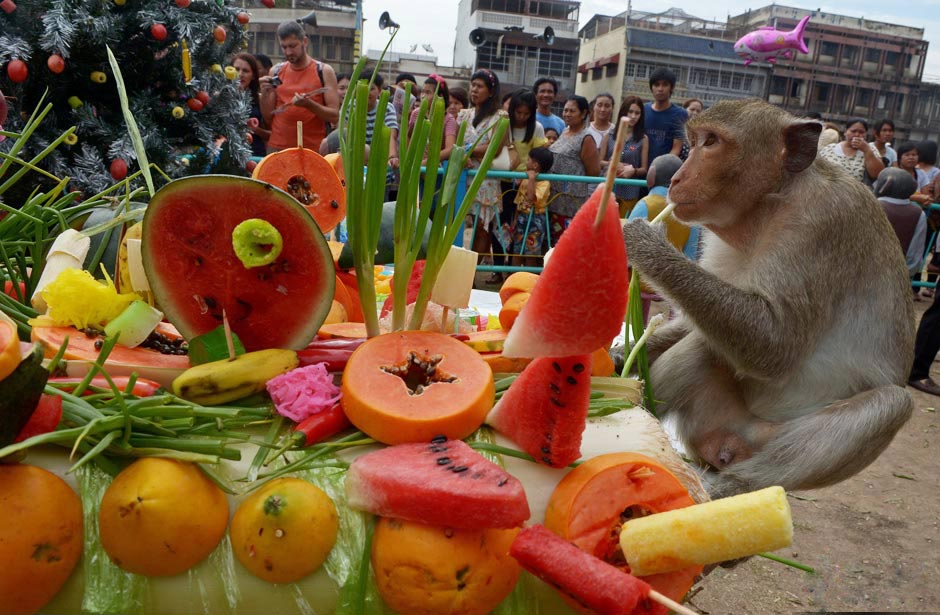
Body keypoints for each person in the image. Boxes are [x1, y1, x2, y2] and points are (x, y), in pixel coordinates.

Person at [627, 154, 701, 323]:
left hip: (642, 280)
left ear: (651, 175)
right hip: (674, 285)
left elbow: (629, 245)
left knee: (635, 317)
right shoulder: (688, 212)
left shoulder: (645, 205)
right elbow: (690, 255)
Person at [457, 69, 511, 265]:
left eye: (480, 86)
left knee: (482, 226)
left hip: (485, 179)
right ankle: (456, 266)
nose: (474, 89)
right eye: (473, 85)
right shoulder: (463, 114)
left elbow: (494, 148)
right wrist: (462, 154)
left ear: (491, 91)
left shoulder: (500, 116)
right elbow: (454, 142)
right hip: (463, 174)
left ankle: (471, 270)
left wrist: (467, 152)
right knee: (459, 223)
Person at [260, 21, 339, 152]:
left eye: (293, 46)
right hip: (278, 147)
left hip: (311, 149)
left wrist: (309, 104)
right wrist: (264, 94)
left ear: (305, 42)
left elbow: (334, 116)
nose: (288, 52)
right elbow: (268, 117)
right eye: (284, 47)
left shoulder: (323, 71)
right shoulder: (276, 71)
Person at [547, 95, 601, 243]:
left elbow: (594, 171)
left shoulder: (586, 138)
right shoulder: (564, 131)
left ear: (583, 114)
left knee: (566, 244)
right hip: (553, 198)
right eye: (565, 110)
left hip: (570, 202)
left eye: (572, 111)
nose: (567, 114)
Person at [504, 147, 553, 268]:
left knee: (530, 253)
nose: (526, 162)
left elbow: (531, 198)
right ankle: (514, 278)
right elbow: (519, 201)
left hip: (535, 221)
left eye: (529, 160)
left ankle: (528, 281)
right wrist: (515, 219)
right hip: (522, 218)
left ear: (535, 165)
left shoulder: (544, 182)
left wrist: (531, 179)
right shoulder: (526, 180)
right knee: (517, 251)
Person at [601, 95, 648, 217]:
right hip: (610, 188)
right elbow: (599, 161)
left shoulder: (643, 139)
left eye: (637, 113)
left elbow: (644, 168)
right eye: (630, 111)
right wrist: (613, 164)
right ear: (623, 112)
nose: (633, 116)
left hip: (630, 191)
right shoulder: (610, 135)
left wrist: (633, 170)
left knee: (624, 227)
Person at [873, 167, 925, 277]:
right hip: (896, 274)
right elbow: (916, 250)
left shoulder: (872, 206)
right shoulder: (918, 213)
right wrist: (906, 273)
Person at [408, 74, 458, 163]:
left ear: (440, 96)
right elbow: (409, 136)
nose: (423, 96)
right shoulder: (416, 113)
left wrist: (427, 162)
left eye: (428, 92)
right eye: (422, 92)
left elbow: (450, 148)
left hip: (435, 169)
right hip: (414, 166)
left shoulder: (449, 120)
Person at [817, 118, 884, 183]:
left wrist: (866, 150)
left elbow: (877, 174)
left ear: (865, 134)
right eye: (853, 131)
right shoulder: (830, 149)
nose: (857, 135)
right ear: (846, 132)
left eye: (861, 132)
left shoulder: (870, 149)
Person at [643, 67, 687, 163]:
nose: (660, 89)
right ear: (651, 87)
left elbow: (676, 148)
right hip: (638, 170)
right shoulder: (643, 109)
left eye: (665, 85)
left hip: (664, 171)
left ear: (672, 87)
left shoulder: (680, 114)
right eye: (656, 85)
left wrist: (661, 168)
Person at [233, 53, 269, 157]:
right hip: (225, 155)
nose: (240, 74)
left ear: (253, 76)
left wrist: (255, 130)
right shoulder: (219, 97)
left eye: (245, 71)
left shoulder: (260, 99)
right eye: (236, 69)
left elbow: (272, 134)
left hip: (254, 155)